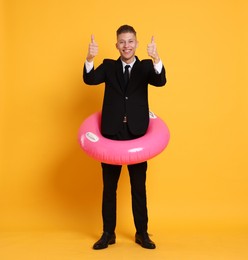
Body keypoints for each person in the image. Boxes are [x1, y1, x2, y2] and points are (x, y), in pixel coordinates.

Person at [83, 25, 166, 250]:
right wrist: (90, 57)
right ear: (116, 45)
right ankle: (108, 233)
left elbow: (161, 81)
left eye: (130, 41)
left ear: (136, 44)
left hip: (138, 135)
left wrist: (156, 57)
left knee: (139, 187)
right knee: (109, 187)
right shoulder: (109, 66)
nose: (126, 46)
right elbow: (89, 80)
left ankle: (142, 233)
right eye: (122, 42)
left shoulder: (146, 67)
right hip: (112, 134)